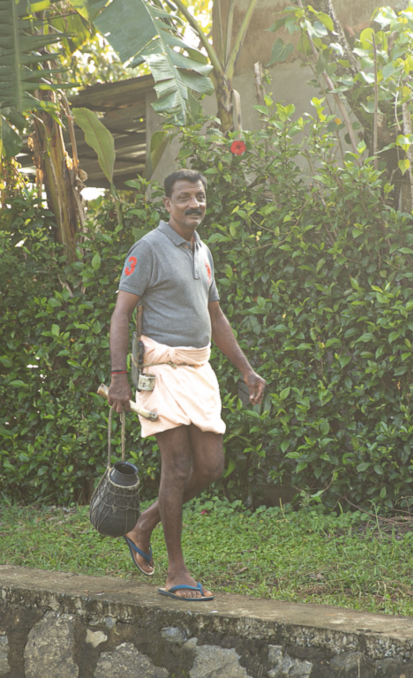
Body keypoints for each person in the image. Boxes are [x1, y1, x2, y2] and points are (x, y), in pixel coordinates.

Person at [107, 169, 267, 602]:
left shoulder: (202, 250)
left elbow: (216, 317)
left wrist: (246, 370)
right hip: (161, 369)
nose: (194, 204)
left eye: (199, 196)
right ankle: (176, 571)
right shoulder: (149, 248)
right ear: (167, 204)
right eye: (184, 198)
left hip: (199, 370)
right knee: (176, 468)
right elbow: (121, 314)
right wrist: (119, 377)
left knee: (210, 467)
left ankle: (143, 524)